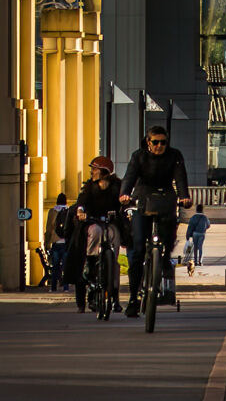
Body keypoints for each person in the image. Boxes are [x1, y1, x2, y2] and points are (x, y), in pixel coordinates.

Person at [119, 125, 191, 317]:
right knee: (138, 249)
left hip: (166, 196)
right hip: (143, 197)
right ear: (148, 142)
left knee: (169, 230)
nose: (160, 146)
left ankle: (165, 258)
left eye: (163, 142)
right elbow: (129, 177)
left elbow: (181, 178)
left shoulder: (175, 155)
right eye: (155, 142)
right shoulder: (138, 156)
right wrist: (125, 194)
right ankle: (133, 298)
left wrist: (184, 196)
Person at [72, 156, 124, 313]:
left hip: (111, 223)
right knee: (96, 231)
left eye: (94, 169)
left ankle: (115, 298)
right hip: (93, 222)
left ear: (104, 172)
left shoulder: (117, 185)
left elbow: (125, 197)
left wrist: (127, 202)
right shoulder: (89, 186)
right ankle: (91, 259)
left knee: (113, 235)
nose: (92, 172)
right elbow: (81, 200)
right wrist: (80, 210)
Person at [43, 192, 69, 292]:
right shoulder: (69, 211)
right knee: (65, 267)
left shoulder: (52, 212)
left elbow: (48, 228)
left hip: (56, 242)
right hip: (66, 243)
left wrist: (46, 243)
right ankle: (66, 287)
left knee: (55, 267)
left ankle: (53, 287)